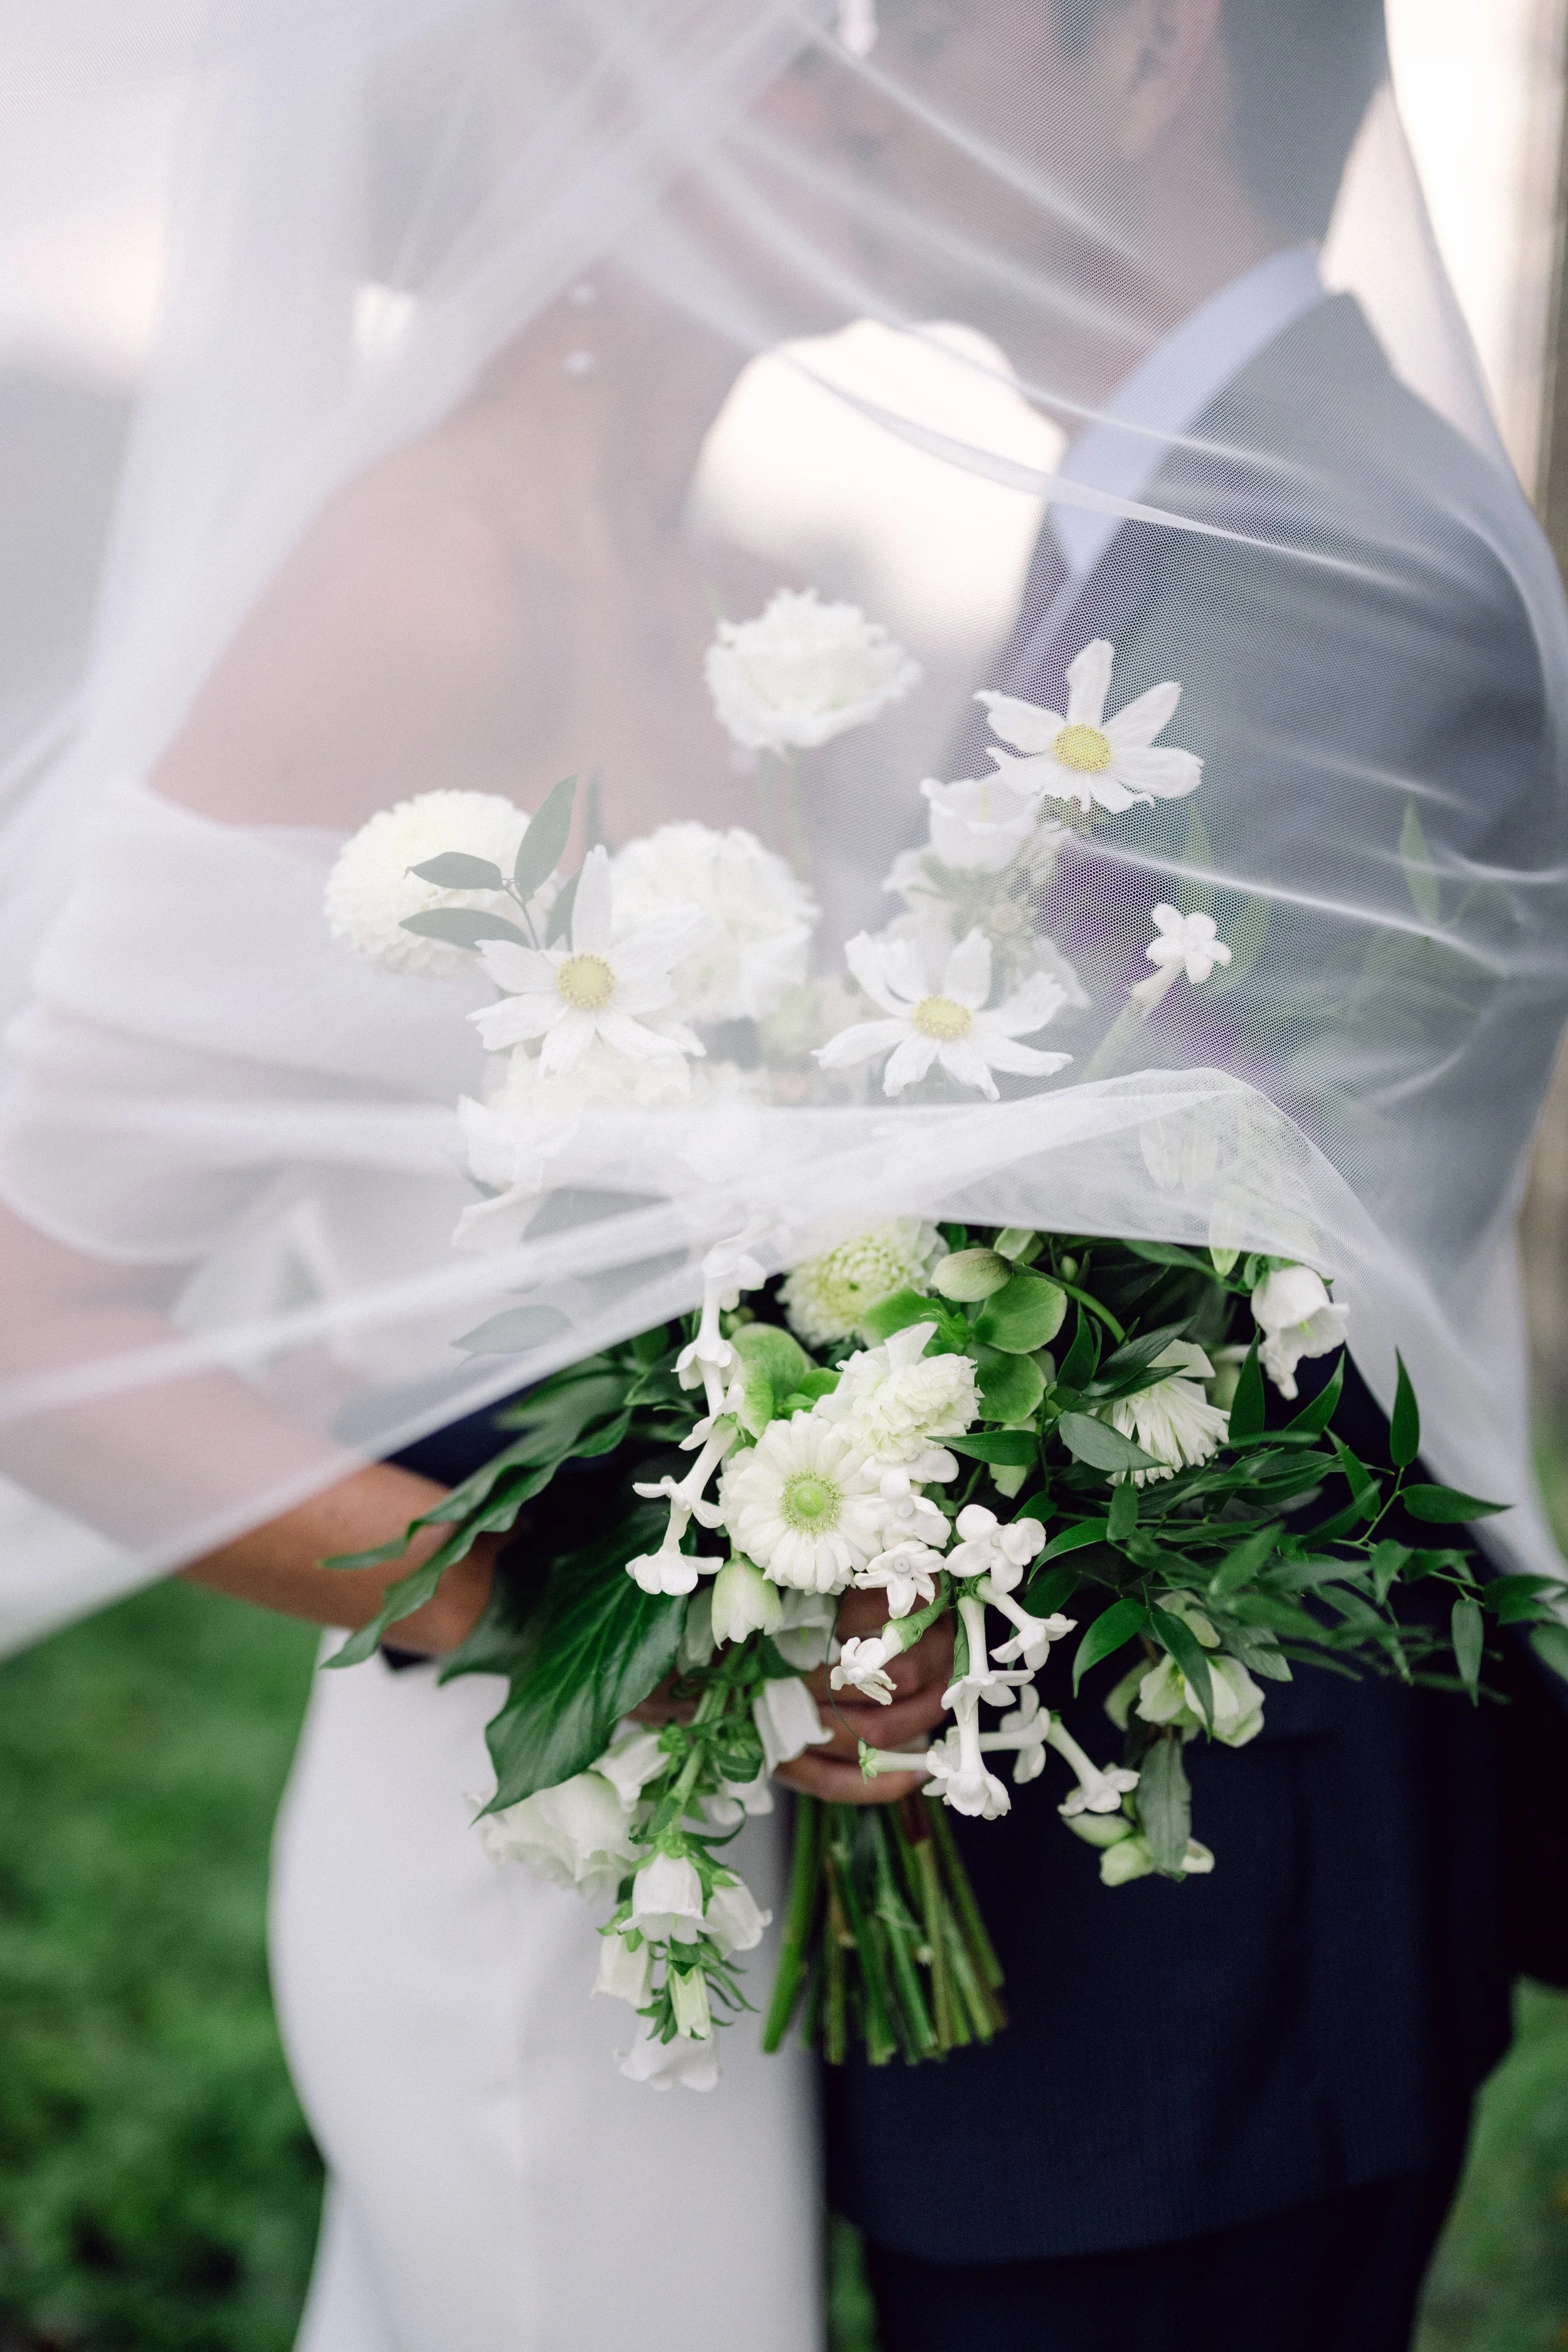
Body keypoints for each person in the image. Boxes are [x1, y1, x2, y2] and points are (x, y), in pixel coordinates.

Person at [773, 5, 1568, 2348]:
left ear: (1144, 59)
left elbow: (1128, 1237)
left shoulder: (1308, 542)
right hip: (1134, 1913)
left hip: (1197, 1933)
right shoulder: (1186, 489)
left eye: (922, 22)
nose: (853, 74)